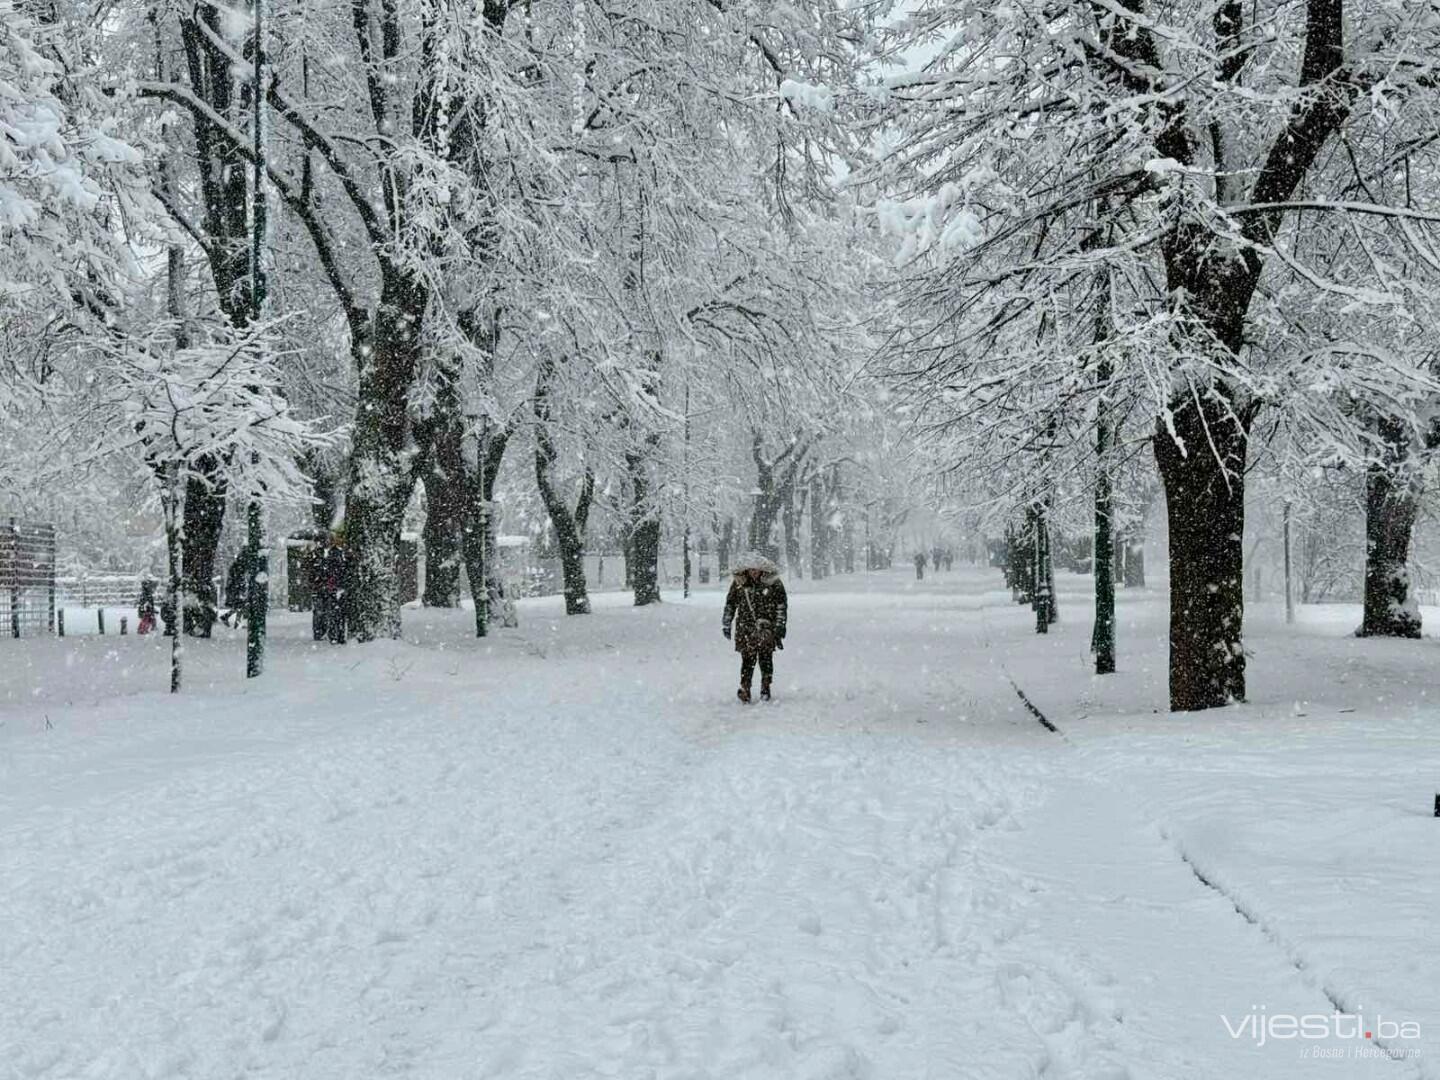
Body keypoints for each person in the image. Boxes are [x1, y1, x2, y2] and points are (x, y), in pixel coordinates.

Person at [722, 553, 788, 703]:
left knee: (765, 659)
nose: (754, 572)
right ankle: (745, 689)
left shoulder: (774, 583)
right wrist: (726, 622)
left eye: (756, 569)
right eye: (751, 569)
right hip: (745, 628)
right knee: (747, 660)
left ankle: (766, 687)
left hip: (766, 628)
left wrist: (779, 626)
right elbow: (730, 604)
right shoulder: (739, 583)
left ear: (763, 570)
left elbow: (781, 606)